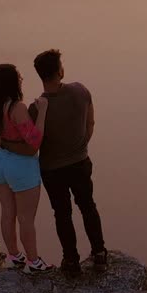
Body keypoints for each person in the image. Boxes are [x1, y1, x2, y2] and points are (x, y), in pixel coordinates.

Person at [30, 49, 106, 276]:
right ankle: (100, 254)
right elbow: (90, 124)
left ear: (41, 75)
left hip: (52, 170)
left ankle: (71, 261)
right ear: (60, 71)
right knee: (88, 206)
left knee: (62, 214)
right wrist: (80, 147)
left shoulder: (36, 109)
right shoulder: (80, 91)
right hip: (80, 162)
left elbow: (34, 142)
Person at [0, 64, 54, 275]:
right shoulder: (17, 108)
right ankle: (34, 262)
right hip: (21, 168)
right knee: (26, 218)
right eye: (18, 76)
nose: (21, 78)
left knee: (7, 212)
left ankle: (14, 256)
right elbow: (34, 142)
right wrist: (42, 111)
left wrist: (11, 145)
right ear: (11, 82)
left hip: (0, 163)